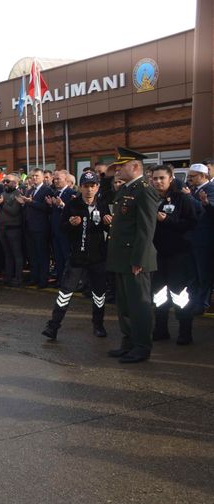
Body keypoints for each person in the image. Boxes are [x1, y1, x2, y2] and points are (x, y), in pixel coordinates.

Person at [41, 172, 112, 340]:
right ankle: (53, 326)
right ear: (80, 187)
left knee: (99, 294)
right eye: (86, 186)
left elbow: (109, 229)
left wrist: (109, 223)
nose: (89, 189)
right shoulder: (72, 205)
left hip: (97, 257)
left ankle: (98, 325)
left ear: (97, 187)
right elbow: (61, 227)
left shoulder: (103, 205)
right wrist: (70, 224)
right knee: (65, 292)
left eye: (92, 186)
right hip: (76, 258)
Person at [104, 148, 159, 363]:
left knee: (139, 305)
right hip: (121, 257)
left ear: (135, 167)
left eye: (121, 166)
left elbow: (146, 229)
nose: (117, 170)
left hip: (136, 259)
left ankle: (142, 347)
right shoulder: (127, 189)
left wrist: (139, 259)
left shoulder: (144, 190)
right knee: (125, 305)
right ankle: (128, 343)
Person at [150, 165, 198, 344]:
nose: (158, 182)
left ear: (170, 179)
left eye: (162, 178)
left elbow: (191, 223)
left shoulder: (181, 199)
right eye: (155, 178)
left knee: (180, 295)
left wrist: (168, 220)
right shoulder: (151, 199)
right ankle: (161, 329)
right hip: (157, 255)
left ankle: (185, 332)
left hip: (178, 255)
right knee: (159, 294)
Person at [184, 163, 214, 315]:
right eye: (188, 176)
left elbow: (204, 210)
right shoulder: (193, 190)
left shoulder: (210, 189)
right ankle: (193, 301)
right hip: (191, 238)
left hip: (204, 239)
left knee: (203, 273)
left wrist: (190, 197)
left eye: (192, 176)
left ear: (203, 176)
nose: (189, 179)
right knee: (192, 273)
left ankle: (202, 303)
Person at [18, 168, 52, 288]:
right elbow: (27, 206)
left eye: (37, 176)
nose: (34, 178)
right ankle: (34, 277)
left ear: (43, 177)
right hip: (29, 227)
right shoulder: (29, 190)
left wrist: (31, 202)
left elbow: (48, 208)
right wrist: (23, 203)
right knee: (32, 254)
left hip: (40, 227)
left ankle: (43, 280)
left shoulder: (47, 190)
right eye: (32, 176)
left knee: (42, 254)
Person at [0, 173, 24, 286]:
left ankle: (18, 278)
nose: (5, 183)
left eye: (8, 181)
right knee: (7, 254)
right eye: (4, 181)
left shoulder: (18, 193)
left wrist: (2, 203)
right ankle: (8, 276)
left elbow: (14, 211)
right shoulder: (3, 193)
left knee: (17, 254)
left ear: (15, 182)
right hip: (3, 228)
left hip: (13, 228)